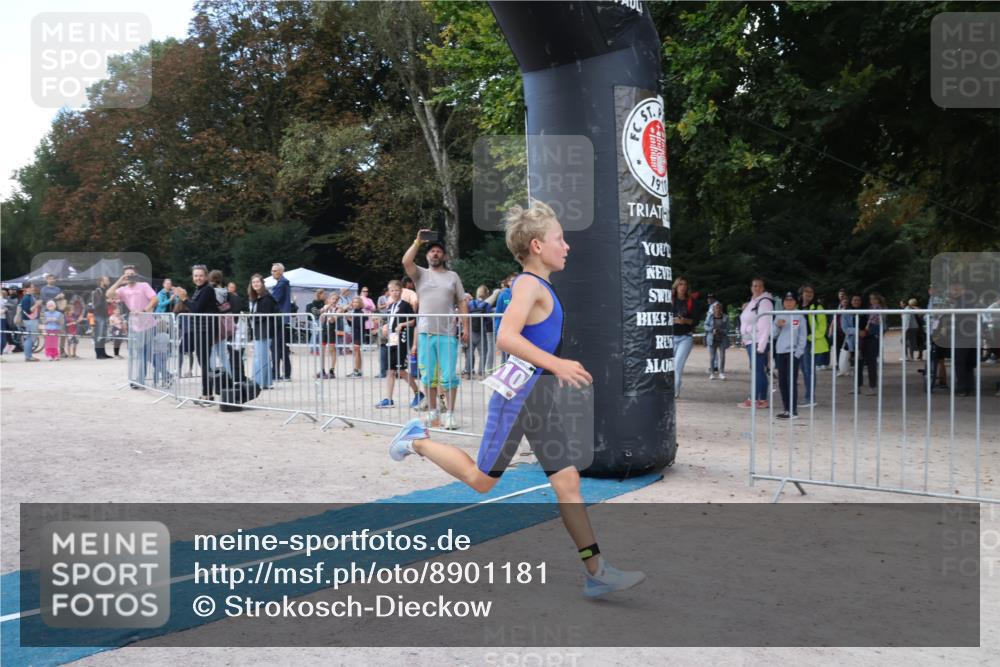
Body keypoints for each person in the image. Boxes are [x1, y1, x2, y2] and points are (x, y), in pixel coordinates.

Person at [389, 201, 645, 598]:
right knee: (481, 481)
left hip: (537, 398)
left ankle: (596, 572)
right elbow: (507, 337)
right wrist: (557, 365)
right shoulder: (527, 284)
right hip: (519, 398)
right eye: (561, 239)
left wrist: (551, 371)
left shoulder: (540, 286)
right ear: (539, 246)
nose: (567, 247)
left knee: (568, 483)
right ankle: (416, 440)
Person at [402, 233, 469, 431]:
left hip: (447, 333)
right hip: (425, 333)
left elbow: (462, 302)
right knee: (428, 376)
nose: (435, 253)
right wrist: (417, 242)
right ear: (427, 256)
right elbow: (406, 261)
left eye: (439, 251)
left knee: (448, 377)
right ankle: (433, 412)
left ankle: (449, 414)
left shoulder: (452, 276)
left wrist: (466, 326)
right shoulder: (420, 274)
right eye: (432, 251)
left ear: (444, 256)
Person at [107, 265, 158, 388]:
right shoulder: (123, 290)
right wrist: (120, 280)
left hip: (149, 325)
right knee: (147, 355)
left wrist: (144, 310)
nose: (129, 276)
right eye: (127, 274)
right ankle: (166, 376)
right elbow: (109, 294)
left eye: (131, 274)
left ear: (136, 275)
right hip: (135, 327)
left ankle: (140, 381)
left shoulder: (144, 285)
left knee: (143, 354)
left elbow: (155, 299)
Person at [375, 280, 420, 408]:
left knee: (400, 369)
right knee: (390, 370)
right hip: (392, 338)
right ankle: (389, 399)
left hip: (402, 338)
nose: (394, 293)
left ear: (401, 291)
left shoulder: (405, 305)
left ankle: (418, 393)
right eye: (392, 290)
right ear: (389, 292)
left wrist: (402, 324)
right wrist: (385, 327)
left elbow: (413, 320)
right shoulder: (391, 306)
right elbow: (391, 321)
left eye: (397, 290)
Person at [738, 277, 774, 409]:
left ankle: (758, 399)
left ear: (763, 288)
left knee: (758, 371)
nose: (756, 288)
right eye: (754, 285)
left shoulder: (764, 302)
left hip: (757, 341)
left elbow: (765, 325)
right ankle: (757, 399)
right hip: (751, 341)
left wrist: (761, 346)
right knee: (757, 370)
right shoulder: (754, 302)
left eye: (759, 286)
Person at [773, 292, 806, 419]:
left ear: (795, 302)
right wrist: (777, 325)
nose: (788, 302)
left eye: (791, 300)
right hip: (781, 352)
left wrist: (798, 353)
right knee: (782, 382)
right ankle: (786, 408)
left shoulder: (800, 316)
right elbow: (773, 334)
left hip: (793, 352)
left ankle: (793, 410)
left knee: (791, 381)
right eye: (786, 300)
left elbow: (802, 336)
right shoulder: (779, 315)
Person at [797, 284, 828, 407]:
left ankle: (810, 398)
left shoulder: (817, 307)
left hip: (810, 342)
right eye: (807, 292)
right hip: (800, 342)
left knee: (809, 371)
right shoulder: (798, 307)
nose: (809, 294)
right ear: (802, 293)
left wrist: (811, 337)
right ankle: (808, 396)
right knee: (804, 370)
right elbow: (796, 323)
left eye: (811, 292)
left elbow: (822, 326)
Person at [247, 273, 278, 389]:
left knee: (260, 357)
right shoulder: (255, 298)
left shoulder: (266, 297)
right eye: (253, 282)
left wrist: (252, 315)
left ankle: (258, 382)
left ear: (262, 283)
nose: (255, 284)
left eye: (257, 282)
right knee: (262, 356)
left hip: (264, 330)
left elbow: (265, 313)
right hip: (259, 329)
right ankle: (266, 382)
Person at [670, 277, 697, 398]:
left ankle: (675, 390)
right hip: (669, 337)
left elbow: (695, 321)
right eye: (680, 284)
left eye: (685, 284)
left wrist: (684, 320)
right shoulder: (669, 300)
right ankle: (671, 388)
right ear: (676, 286)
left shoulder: (691, 301)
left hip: (685, 337)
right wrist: (674, 320)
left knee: (677, 365)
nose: (683, 287)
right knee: (668, 365)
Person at [856, 293, 884, 395]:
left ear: (878, 300)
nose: (872, 300)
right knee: (865, 362)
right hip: (868, 336)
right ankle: (864, 386)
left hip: (871, 336)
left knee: (870, 362)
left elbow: (872, 323)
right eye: (871, 299)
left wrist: (866, 329)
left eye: (874, 298)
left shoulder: (878, 308)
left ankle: (872, 387)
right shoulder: (870, 308)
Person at [465, 285, 495, 377]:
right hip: (482, 331)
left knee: (469, 352)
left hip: (471, 331)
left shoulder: (470, 303)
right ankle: (481, 373)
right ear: (486, 294)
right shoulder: (487, 305)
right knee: (483, 353)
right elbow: (489, 319)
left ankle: (468, 372)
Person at [269, 263, 292, 381]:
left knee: (275, 347)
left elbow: (273, 300)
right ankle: (286, 373)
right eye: (272, 270)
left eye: (275, 271)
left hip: (279, 319)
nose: (272, 272)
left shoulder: (281, 284)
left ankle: (276, 373)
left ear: (281, 271)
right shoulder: (283, 283)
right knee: (282, 347)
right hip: (282, 319)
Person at [705, 301, 729, 380]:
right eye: (716, 308)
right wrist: (712, 330)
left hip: (722, 339)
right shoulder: (710, 316)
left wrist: (720, 331)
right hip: (712, 339)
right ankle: (712, 373)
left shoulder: (725, 317)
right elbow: (705, 326)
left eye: (719, 308)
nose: (717, 309)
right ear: (713, 309)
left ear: (721, 309)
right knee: (712, 357)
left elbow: (728, 329)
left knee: (722, 357)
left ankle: (721, 373)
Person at [346, 295, 366, 377]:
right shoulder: (354, 312)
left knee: (357, 352)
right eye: (353, 302)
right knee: (357, 352)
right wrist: (348, 319)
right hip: (355, 333)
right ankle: (358, 370)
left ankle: (357, 371)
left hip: (358, 334)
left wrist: (351, 319)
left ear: (360, 303)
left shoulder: (361, 312)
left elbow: (359, 324)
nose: (355, 303)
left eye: (357, 302)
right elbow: (351, 324)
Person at [307, 289, 326, 356]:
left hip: (321, 320)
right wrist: (323, 309)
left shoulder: (323, 302)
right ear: (319, 294)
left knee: (318, 336)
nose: (325, 295)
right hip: (314, 321)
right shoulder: (314, 303)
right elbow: (316, 313)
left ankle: (317, 349)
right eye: (323, 294)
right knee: (315, 335)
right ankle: (313, 350)